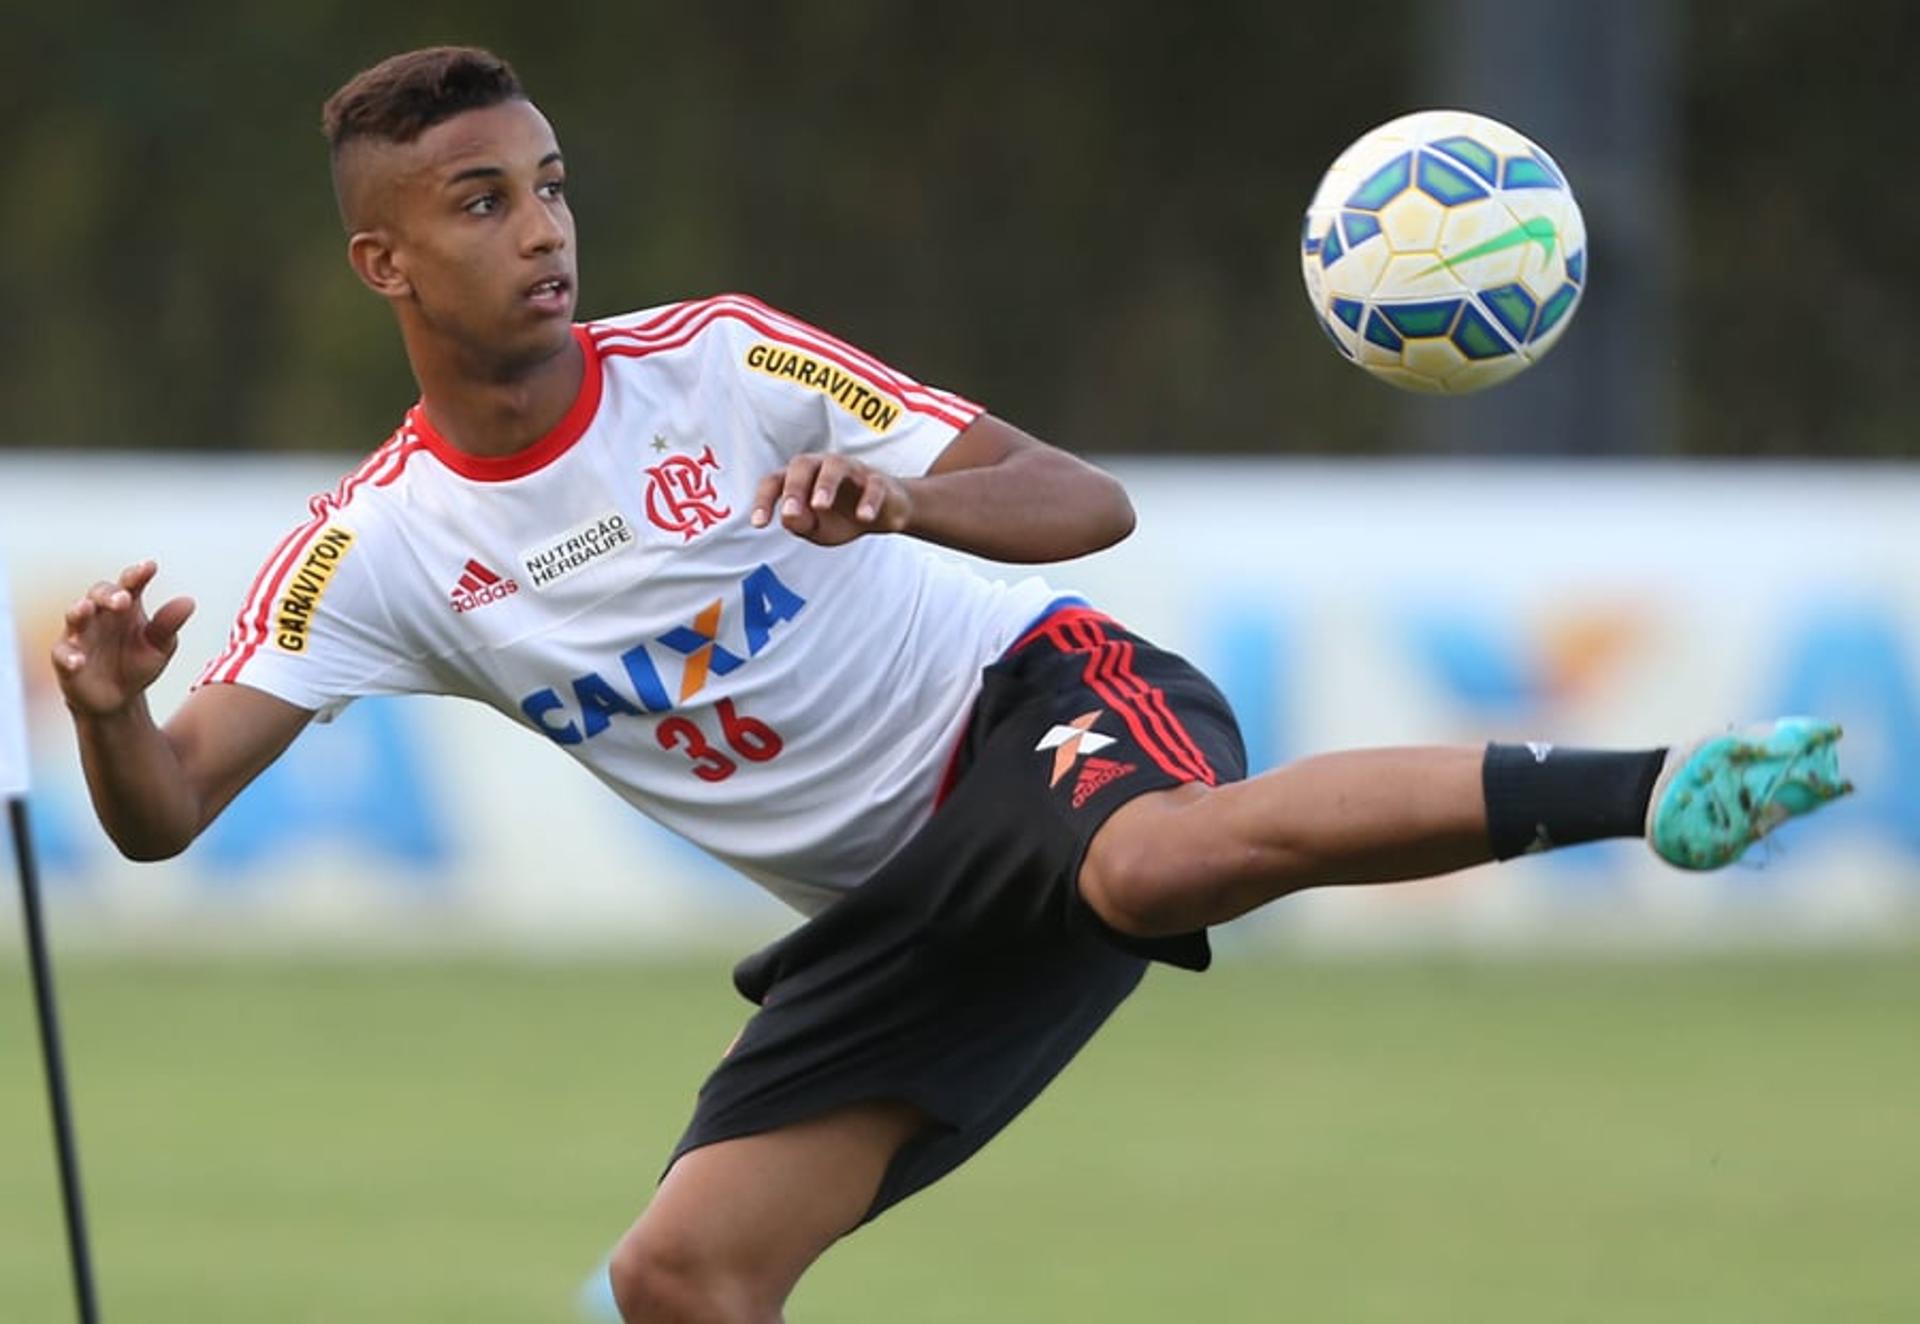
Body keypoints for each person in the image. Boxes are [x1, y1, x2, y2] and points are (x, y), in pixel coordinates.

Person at [52, 46, 1850, 1324]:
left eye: (550, 185)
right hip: (912, 915)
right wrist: (119, 715)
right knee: (684, 1277)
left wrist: (909, 499)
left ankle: (1649, 790)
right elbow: (165, 818)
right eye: (481, 201)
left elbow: (1083, 499)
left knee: (1149, 862)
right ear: (385, 262)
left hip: (1044, 712)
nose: (542, 229)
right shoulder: (375, 552)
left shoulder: (720, 365)